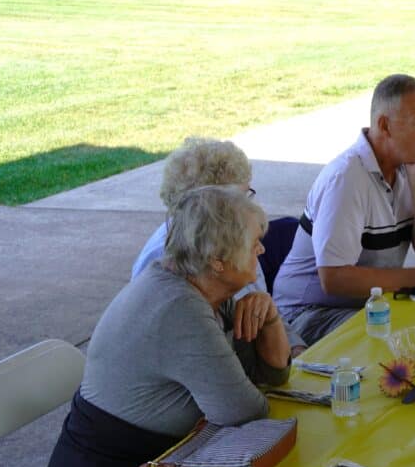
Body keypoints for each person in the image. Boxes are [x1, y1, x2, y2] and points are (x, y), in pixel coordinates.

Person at [42, 186, 291, 467]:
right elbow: (245, 411)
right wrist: (262, 357)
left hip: (161, 466)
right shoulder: (179, 306)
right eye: (254, 240)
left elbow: (272, 375)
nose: (263, 247)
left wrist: (268, 316)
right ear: (218, 260)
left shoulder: (202, 288)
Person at [272, 74, 415, 345]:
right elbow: (334, 278)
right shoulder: (346, 178)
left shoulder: (412, 166)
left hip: (367, 304)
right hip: (307, 314)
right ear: (385, 125)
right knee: (407, 340)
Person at [131, 137, 307, 355]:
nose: (249, 206)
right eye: (242, 197)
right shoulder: (171, 258)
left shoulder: (232, 236)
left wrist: (295, 347)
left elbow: (264, 306)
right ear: (211, 206)